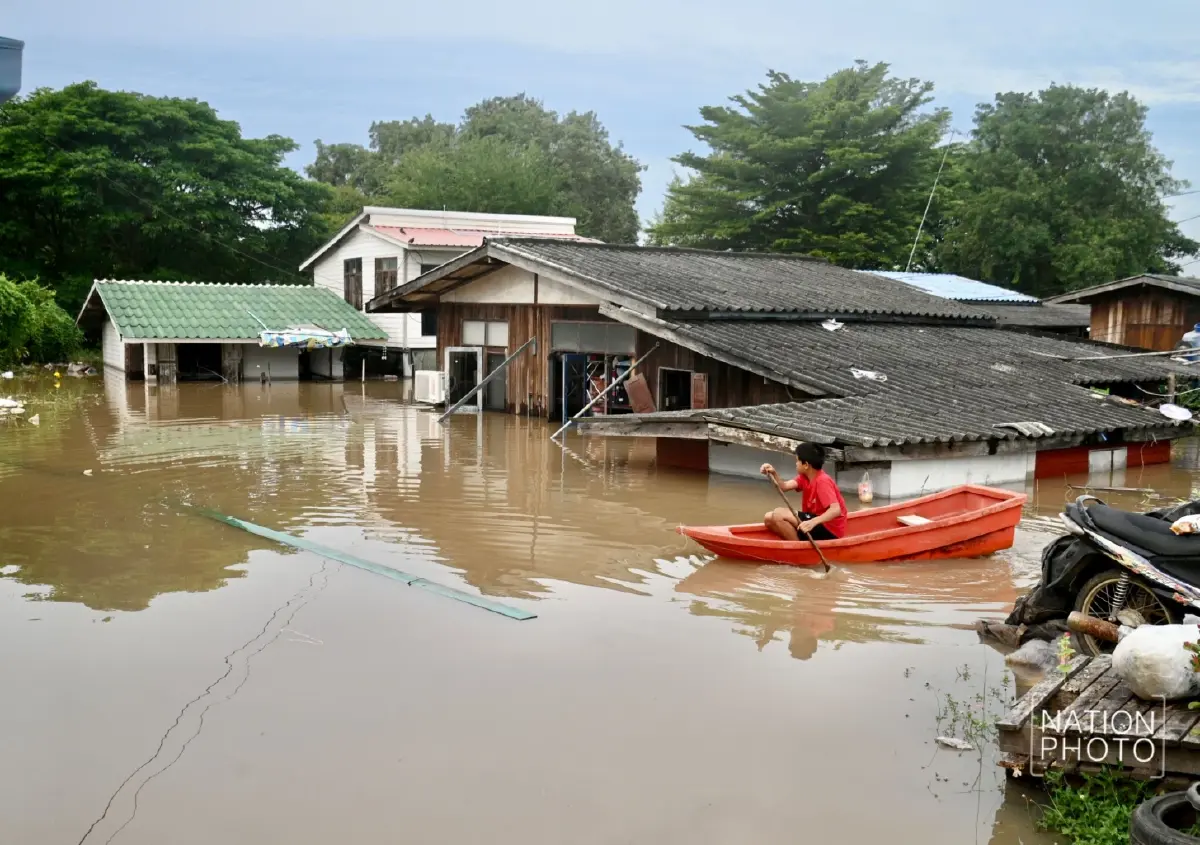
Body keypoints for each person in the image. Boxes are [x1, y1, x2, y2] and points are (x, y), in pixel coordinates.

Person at [760, 443, 848, 542]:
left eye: (797, 461)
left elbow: (836, 510)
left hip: (829, 529)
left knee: (778, 514)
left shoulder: (822, 481)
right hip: (814, 521)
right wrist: (773, 473)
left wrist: (812, 522)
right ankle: (797, 541)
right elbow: (783, 487)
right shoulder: (804, 477)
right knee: (768, 518)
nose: (796, 464)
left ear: (806, 465)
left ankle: (798, 549)